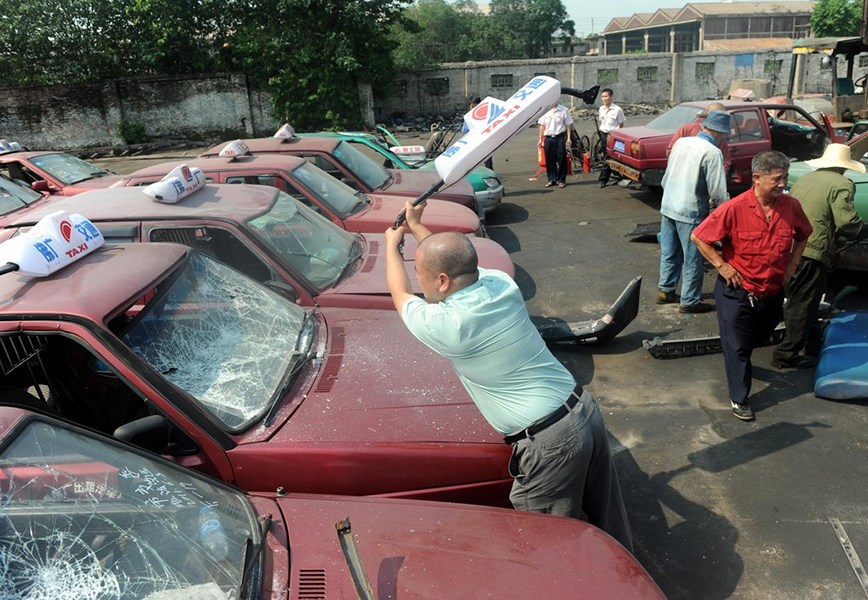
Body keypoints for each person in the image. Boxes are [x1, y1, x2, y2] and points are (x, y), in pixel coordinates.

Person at [384, 201, 633, 551]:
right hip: (583, 409)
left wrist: (391, 246)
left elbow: (400, 294)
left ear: (441, 281)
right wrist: (416, 226)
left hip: (552, 441)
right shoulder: (500, 285)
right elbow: (456, 262)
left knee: (549, 542)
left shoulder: (449, 326)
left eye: (421, 274)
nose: (418, 282)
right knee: (606, 519)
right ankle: (626, 579)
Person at [691, 151, 813, 421]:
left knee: (757, 338)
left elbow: (804, 234)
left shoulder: (790, 206)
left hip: (771, 290)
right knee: (736, 346)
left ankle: (742, 355)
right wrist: (721, 265)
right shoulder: (734, 208)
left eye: (785, 178)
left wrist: (793, 263)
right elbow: (699, 236)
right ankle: (740, 398)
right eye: (777, 179)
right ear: (757, 178)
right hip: (737, 291)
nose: (783, 184)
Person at [772, 144, 865, 369]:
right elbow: (846, 222)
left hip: (788, 245)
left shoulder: (805, 180)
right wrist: (863, 229)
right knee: (803, 302)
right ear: (844, 168)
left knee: (804, 298)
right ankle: (786, 354)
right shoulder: (842, 184)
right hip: (813, 249)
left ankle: (812, 344)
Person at [657, 110, 731, 314]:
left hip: (669, 204)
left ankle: (665, 289)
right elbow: (717, 191)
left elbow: (668, 173)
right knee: (693, 258)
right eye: (725, 135)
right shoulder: (712, 152)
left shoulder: (682, 142)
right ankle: (689, 301)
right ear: (719, 133)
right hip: (690, 211)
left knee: (669, 251)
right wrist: (726, 211)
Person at [666, 102, 732, 176]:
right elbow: (670, 152)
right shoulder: (686, 129)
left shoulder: (720, 139)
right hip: (681, 174)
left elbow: (725, 163)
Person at [537, 103, 573, 188]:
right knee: (549, 159)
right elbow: (542, 125)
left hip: (560, 137)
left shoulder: (563, 110)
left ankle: (561, 180)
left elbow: (568, 125)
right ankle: (551, 179)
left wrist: (568, 138)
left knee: (561, 159)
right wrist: (540, 139)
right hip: (548, 138)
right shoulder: (545, 110)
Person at [597, 88, 626, 188]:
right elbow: (602, 122)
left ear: (611, 97)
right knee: (607, 156)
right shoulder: (601, 109)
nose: (604, 99)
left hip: (613, 136)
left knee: (608, 157)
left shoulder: (617, 110)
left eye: (606, 96)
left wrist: (618, 136)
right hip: (604, 135)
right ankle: (618, 175)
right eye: (603, 97)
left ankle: (603, 180)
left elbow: (621, 124)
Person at [462, 97, 493, 170]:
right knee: (471, 161)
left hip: (484, 140)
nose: (474, 109)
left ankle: (490, 173)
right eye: (472, 106)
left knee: (487, 160)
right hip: (473, 141)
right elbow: (465, 131)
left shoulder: (486, 115)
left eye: (476, 106)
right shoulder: (468, 117)